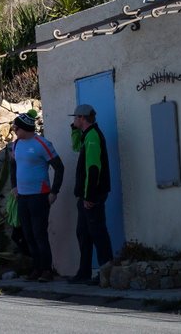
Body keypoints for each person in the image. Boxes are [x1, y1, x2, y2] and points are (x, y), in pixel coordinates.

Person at [9, 109, 65, 282]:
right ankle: (36, 268)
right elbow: (13, 165)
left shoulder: (42, 144)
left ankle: (47, 270)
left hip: (39, 196)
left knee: (39, 234)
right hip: (23, 196)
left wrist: (54, 191)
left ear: (25, 128)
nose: (14, 131)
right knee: (28, 234)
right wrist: (14, 187)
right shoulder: (16, 144)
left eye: (16, 128)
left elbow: (59, 167)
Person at [68, 104, 114, 285]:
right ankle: (84, 272)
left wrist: (89, 196)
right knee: (83, 233)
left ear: (82, 118)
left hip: (92, 195)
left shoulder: (93, 136)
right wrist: (74, 131)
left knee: (98, 233)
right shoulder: (87, 135)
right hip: (86, 195)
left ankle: (106, 274)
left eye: (75, 118)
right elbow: (75, 146)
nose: (73, 120)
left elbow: (93, 168)